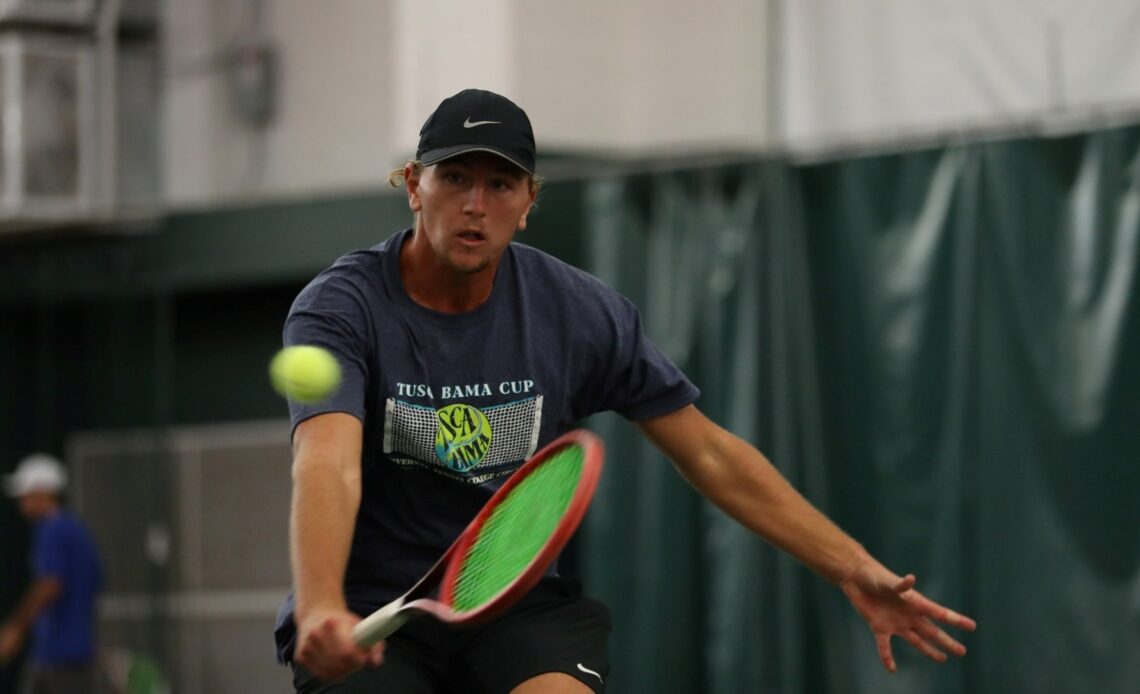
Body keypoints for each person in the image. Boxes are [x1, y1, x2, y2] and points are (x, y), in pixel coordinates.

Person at [274, 88, 977, 693]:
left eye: (501, 184)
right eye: (455, 178)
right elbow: (327, 463)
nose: (475, 204)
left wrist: (850, 568)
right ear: (413, 186)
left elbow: (709, 454)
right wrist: (322, 608)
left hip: (513, 603)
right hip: (374, 609)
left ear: (529, 203)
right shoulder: (341, 307)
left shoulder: (577, 310)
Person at [1, 453, 104, 694]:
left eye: (25, 494)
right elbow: (97, 578)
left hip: (59, 654)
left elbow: (50, 584)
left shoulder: (53, 530)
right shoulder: (76, 531)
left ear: (43, 493)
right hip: (67, 650)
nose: (21, 502)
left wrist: (15, 627)